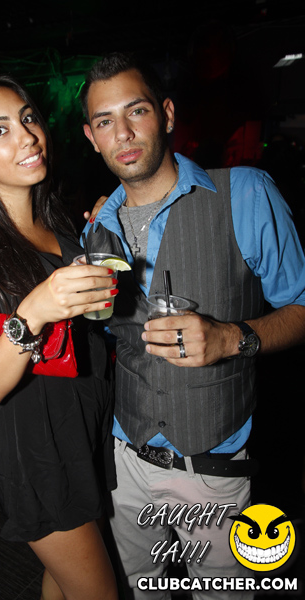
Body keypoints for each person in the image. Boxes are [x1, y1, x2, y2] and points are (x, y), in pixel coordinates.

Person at [80, 52, 305, 600]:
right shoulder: (95, 230)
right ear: (91, 138)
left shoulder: (246, 193)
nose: (123, 133)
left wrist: (232, 337)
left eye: (136, 111)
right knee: (138, 591)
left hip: (212, 470)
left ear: (167, 114)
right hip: (124, 464)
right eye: (105, 121)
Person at [0, 74, 119, 600]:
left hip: (84, 419)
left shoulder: (57, 223)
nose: (27, 136)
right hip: (36, 445)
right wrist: (33, 311)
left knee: (64, 578)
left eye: (28, 118)